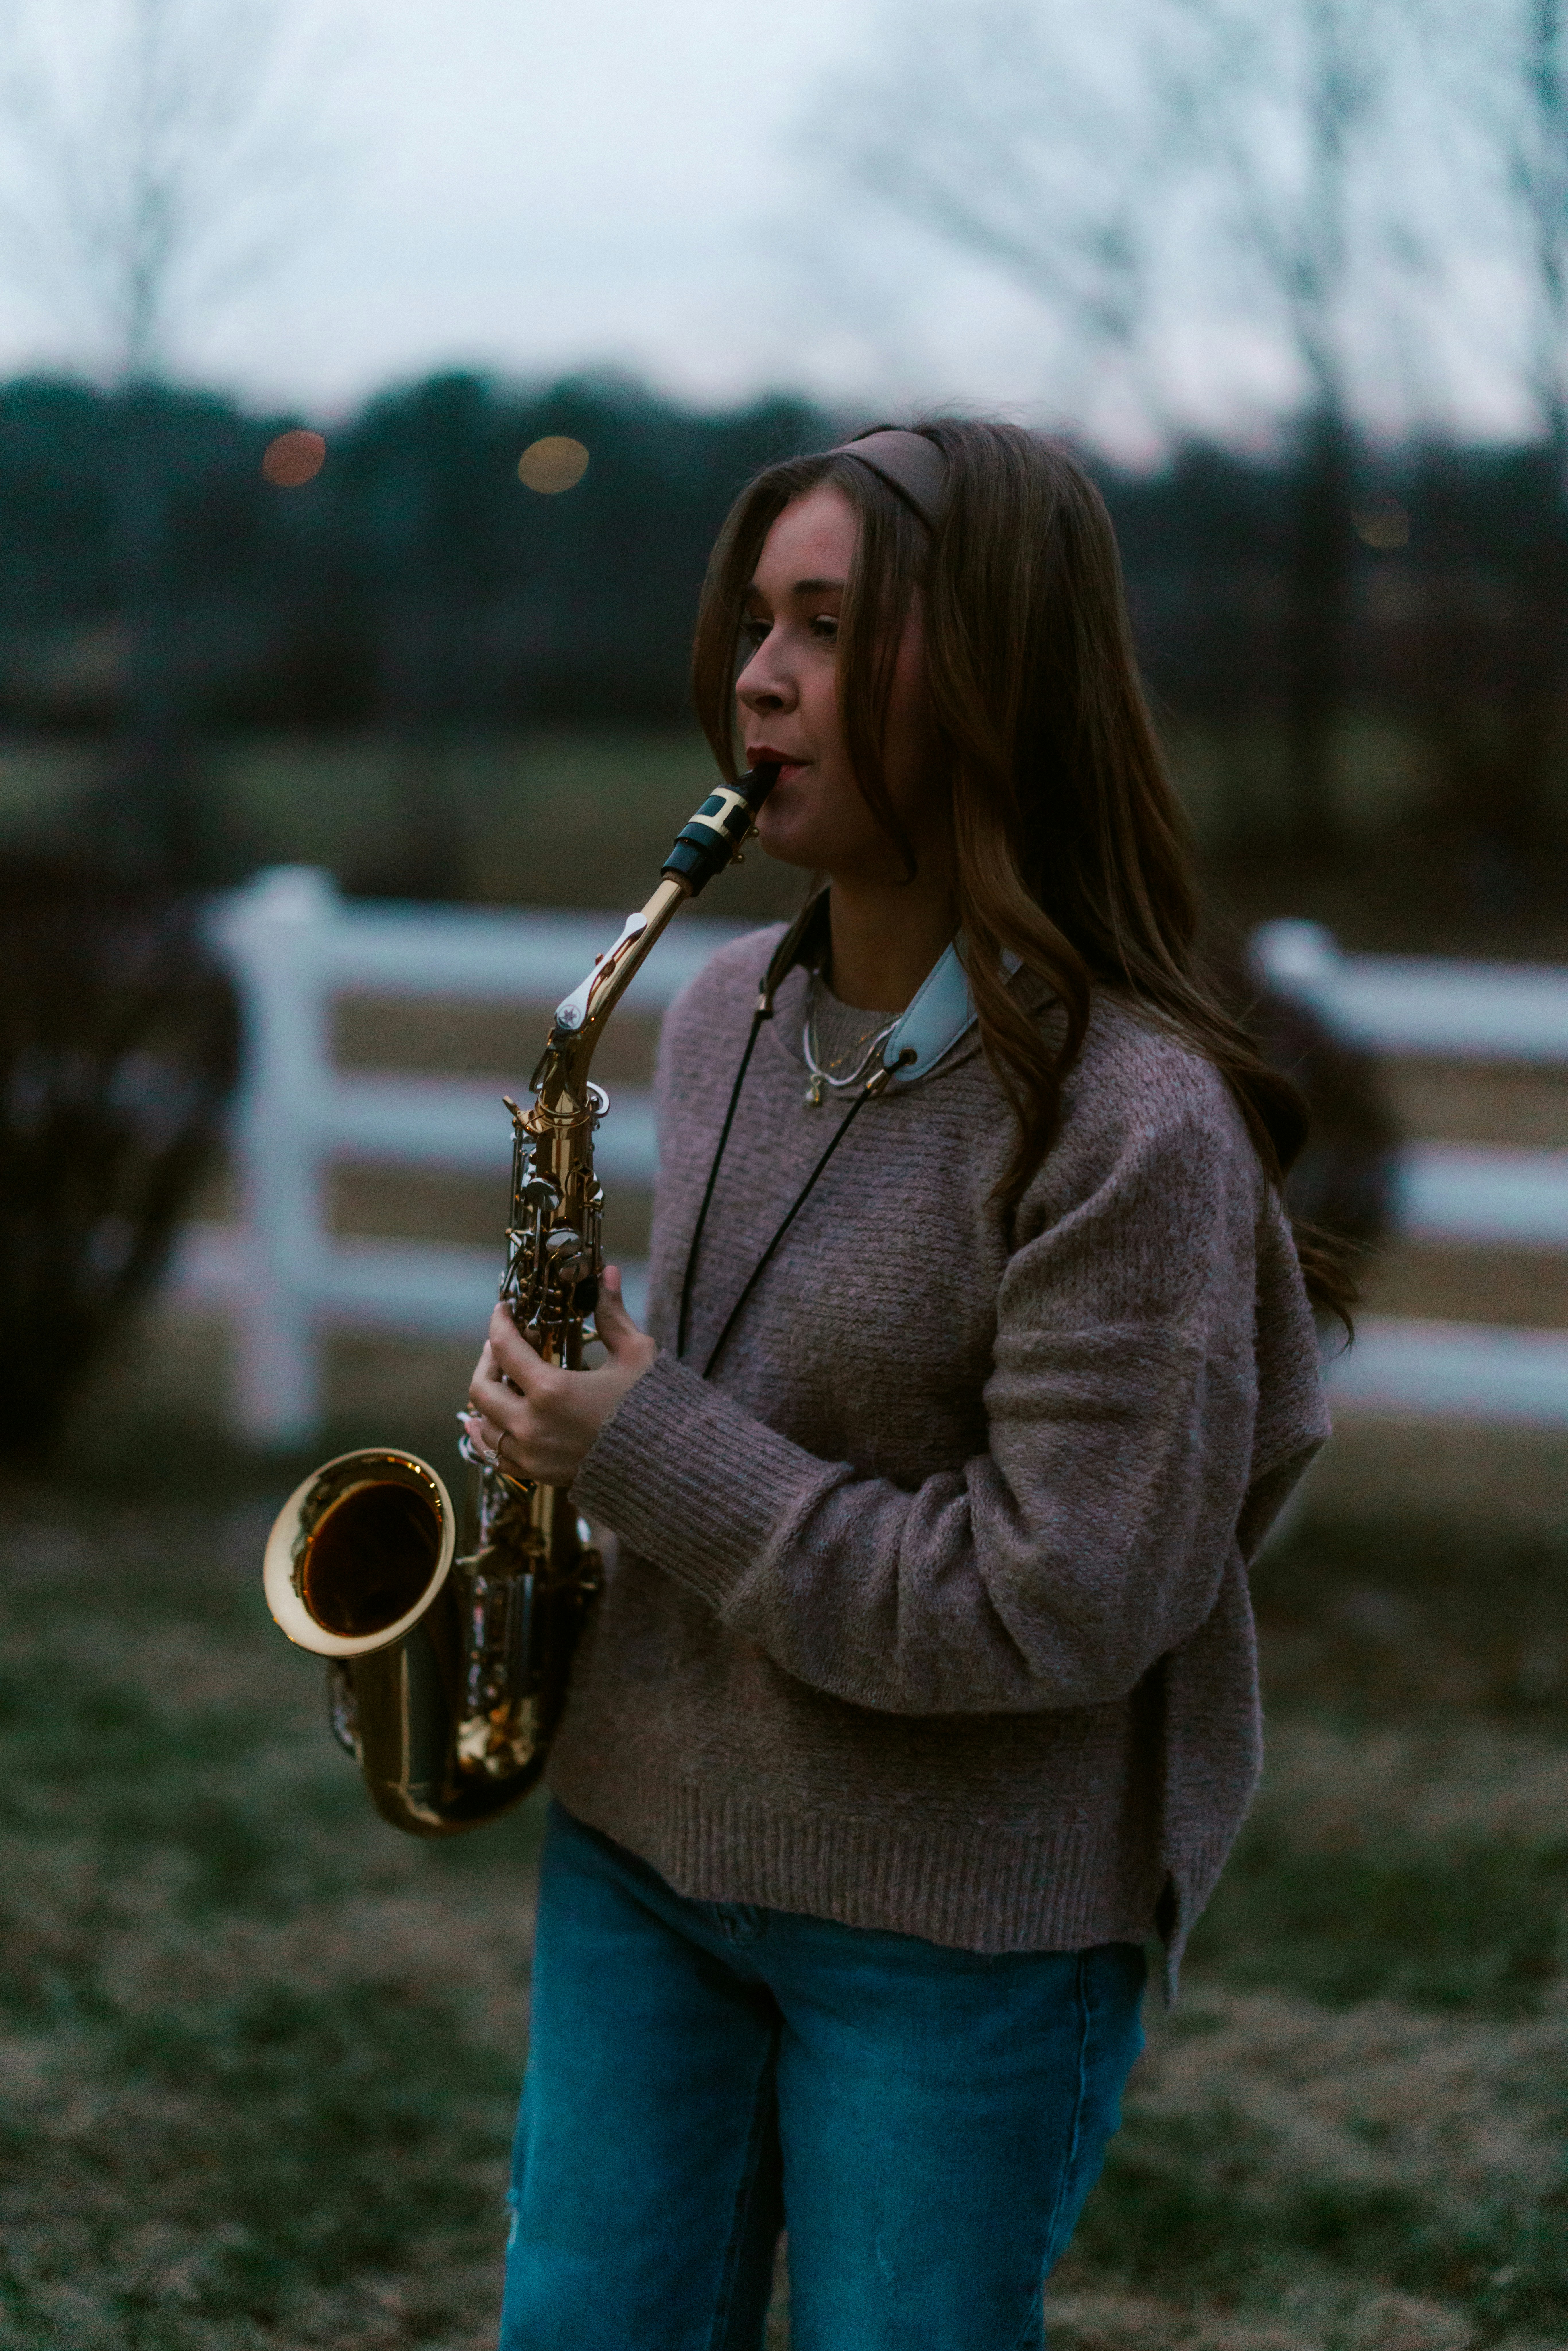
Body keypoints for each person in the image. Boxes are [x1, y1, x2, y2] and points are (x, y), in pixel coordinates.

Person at [462, 421, 1346, 2351]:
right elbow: (711, 1420)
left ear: (999, 677)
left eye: (831, 628)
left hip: (956, 1927)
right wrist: (570, 1425)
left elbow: (1061, 1601)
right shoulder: (715, 1016)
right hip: (639, 1852)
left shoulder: (1134, 1126)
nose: (755, 679)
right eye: (756, 621)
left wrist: (657, 1449)